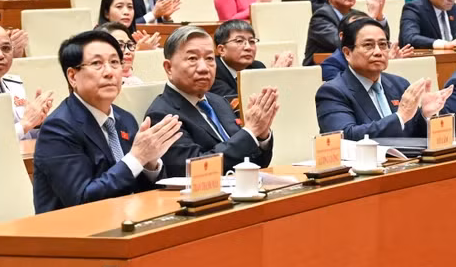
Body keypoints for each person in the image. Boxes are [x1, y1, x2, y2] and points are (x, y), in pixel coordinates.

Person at [32, 30, 183, 213]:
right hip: (76, 233)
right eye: (97, 63)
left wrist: (150, 163)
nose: (109, 72)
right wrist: (137, 158)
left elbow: (140, 190)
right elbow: (82, 201)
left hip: (127, 221)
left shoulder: (124, 119)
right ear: (72, 76)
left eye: (114, 63)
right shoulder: (57, 128)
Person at [145, 26, 277, 175]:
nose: (204, 68)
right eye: (192, 59)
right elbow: (194, 170)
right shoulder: (162, 114)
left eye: (209, 58)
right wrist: (249, 132)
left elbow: (256, 163)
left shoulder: (218, 101)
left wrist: (260, 135)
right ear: (169, 68)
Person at [315, 18, 452, 140]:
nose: (378, 52)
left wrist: (425, 115)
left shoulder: (399, 84)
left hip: (407, 163)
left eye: (383, 45)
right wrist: (399, 117)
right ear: (347, 53)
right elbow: (345, 136)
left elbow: (414, 134)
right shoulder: (332, 92)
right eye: (368, 45)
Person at [303, 0, 388, 65]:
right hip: (323, 72)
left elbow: (384, 41)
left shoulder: (358, 15)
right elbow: (343, 43)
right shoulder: (321, 17)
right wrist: (371, 17)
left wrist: (379, 16)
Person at [210, 20, 293, 101]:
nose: (248, 47)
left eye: (252, 41)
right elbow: (236, 107)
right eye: (239, 41)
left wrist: (281, 76)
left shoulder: (257, 67)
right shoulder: (212, 71)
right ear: (222, 50)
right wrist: (274, 76)